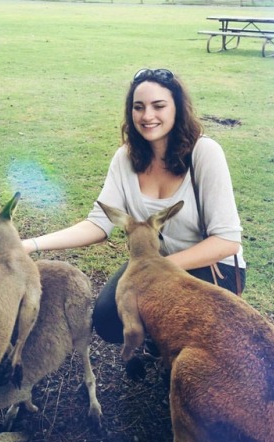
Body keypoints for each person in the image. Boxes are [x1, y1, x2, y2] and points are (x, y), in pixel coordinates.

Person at [22, 68, 246, 344]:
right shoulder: (125, 158)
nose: (147, 116)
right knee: (108, 318)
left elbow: (227, 241)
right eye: (138, 107)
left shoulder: (204, 153)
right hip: (153, 264)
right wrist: (31, 244)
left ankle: (184, 348)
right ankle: (160, 338)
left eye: (158, 106)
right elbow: (98, 224)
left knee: (183, 332)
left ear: (177, 108)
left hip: (210, 268)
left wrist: (156, 268)